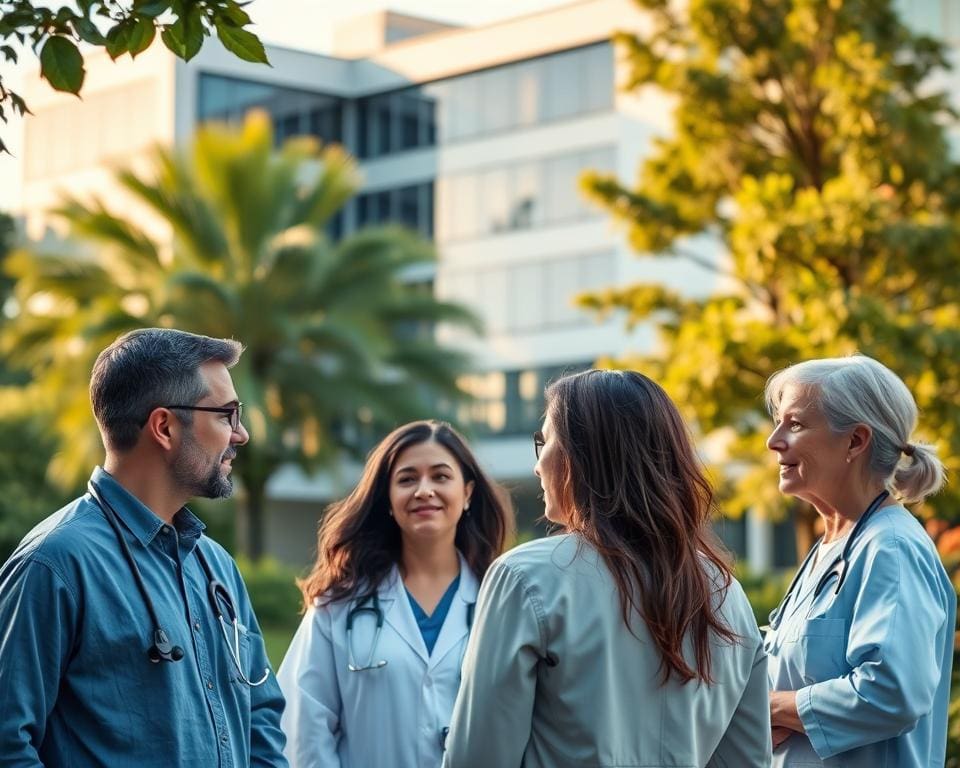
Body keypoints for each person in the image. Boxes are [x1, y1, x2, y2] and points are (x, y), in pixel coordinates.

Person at [443, 369, 771, 768]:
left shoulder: (526, 577)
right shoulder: (724, 591)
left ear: (581, 455)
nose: (536, 466)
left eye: (543, 441)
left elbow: (479, 758)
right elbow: (747, 760)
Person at [0, 328, 287, 767]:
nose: (241, 434)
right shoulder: (55, 564)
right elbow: (7, 743)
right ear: (164, 427)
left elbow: (260, 717)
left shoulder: (217, 567)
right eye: (227, 415)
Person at [277, 419, 513, 768]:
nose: (424, 490)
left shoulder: (502, 602)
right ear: (387, 499)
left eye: (440, 476)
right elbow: (305, 729)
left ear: (467, 493)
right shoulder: (338, 604)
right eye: (407, 479)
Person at [763, 354, 954, 766]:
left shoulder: (891, 548)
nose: (773, 440)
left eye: (794, 424)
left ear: (855, 441)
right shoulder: (830, 546)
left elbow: (891, 692)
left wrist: (776, 708)